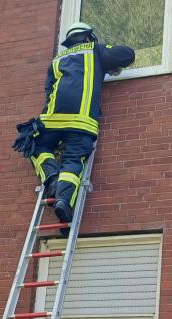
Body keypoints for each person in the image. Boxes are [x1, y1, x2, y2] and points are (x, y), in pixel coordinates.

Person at [13, 22, 135, 232]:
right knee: (72, 160)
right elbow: (126, 54)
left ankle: (51, 178)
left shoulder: (56, 61)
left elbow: (49, 91)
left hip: (52, 120)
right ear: (88, 37)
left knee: (35, 146)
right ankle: (63, 199)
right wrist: (110, 64)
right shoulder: (95, 51)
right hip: (81, 121)